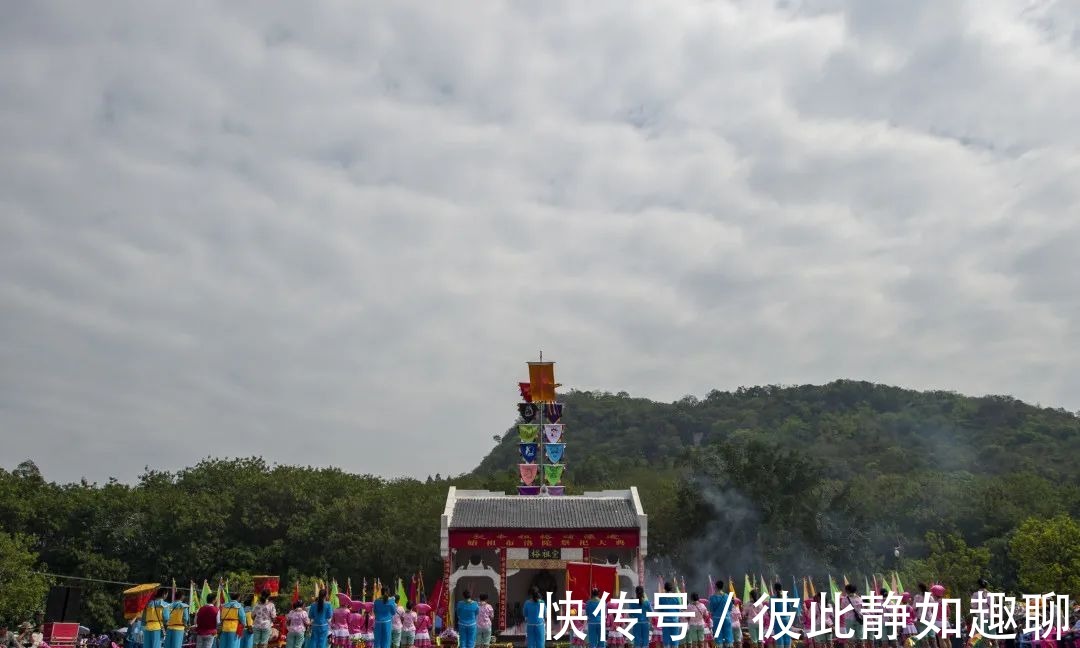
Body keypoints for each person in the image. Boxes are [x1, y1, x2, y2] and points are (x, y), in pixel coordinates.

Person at [771, 583, 796, 648]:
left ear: (774, 589)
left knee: (779, 638)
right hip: (787, 619)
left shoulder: (773, 598)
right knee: (787, 637)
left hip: (778, 620)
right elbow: (789, 609)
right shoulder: (786, 597)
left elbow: (771, 611)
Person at [709, 583, 733, 648]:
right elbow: (730, 608)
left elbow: (711, 609)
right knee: (728, 635)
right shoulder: (727, 596)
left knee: (718, 637)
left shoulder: (712, 597)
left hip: (717, 618)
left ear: (715, 587)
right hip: (726, 618)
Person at [661, 583, 679, 648]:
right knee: (674, 639)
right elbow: (678, 609)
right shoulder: (676, 598)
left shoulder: (661, 598)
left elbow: (660, 610)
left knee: (666, 639)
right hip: (674, 621)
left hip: (665, 621)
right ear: (671, 589)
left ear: (664, 589)